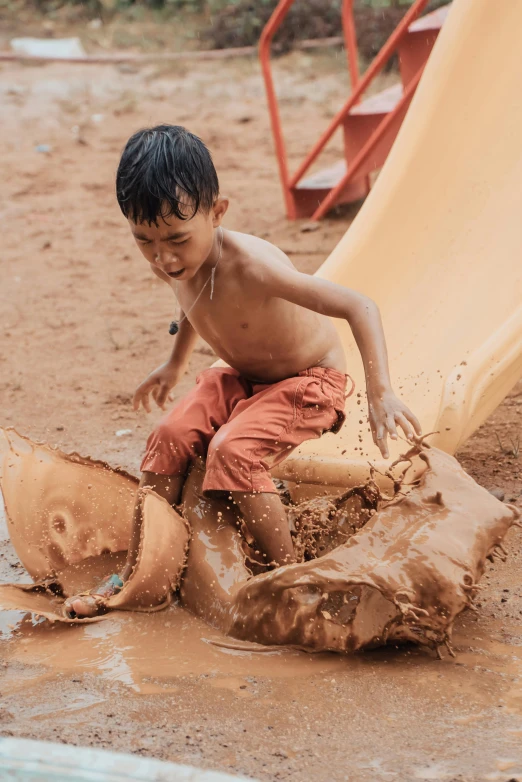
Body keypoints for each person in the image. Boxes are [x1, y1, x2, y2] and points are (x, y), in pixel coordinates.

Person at [65, 124, 421, 618]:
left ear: (218, 213)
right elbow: (193, 305)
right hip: (240, 374)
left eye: (174, 239)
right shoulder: (178, 261)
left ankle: (294, 581)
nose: (162, 257)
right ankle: (140, 568)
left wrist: (381, 392)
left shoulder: (254, 267)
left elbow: (360, 305)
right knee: (168, 433)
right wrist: (173, 365)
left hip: (309, 380)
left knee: (232, 451)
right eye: (143, 241)